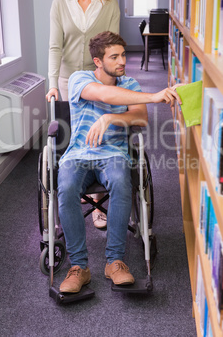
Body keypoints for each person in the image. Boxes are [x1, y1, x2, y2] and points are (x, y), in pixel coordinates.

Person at [57, 31, 182, 293]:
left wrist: (111, 119)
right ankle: (79, 267)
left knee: (120, 182)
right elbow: (104, 95)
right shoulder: (80, 78)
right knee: (66, 188)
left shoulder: (131, 84)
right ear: (98, 61)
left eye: (123, 54)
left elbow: (141, 119)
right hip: (79, 154)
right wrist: (154, 96)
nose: (122, 61)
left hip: (113, 153)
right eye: (114, 56)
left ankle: (115, 261)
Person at [46, 0, 120, 228]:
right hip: (67, 78)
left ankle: (99, 206)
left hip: (97, 80)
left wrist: (112, 81)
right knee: (73, 136)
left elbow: (113, 45)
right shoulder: (60, 3)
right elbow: (55, 46)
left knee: (98, 135)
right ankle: (75, 190)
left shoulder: (109, 2)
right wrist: (53, 83)